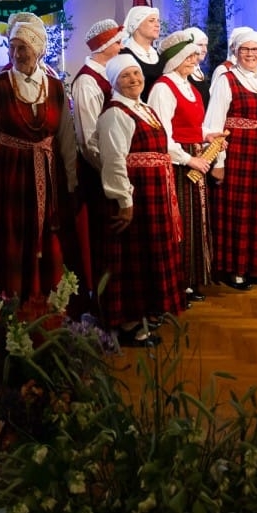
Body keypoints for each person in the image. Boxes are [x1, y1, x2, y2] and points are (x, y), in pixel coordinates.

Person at [0, 12, 78, 301]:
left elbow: (66, 138)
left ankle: (48, 307)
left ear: (39, 50)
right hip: (10, 182)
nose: (17, 54)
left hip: (48, 178)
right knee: (12, 243)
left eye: (23, 48)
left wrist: (72, 180)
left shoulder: (55, 88)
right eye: (13, 47)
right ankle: (9, 307)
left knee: (48, 241)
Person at [96, 53, 184, 346]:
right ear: (114, 82)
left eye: (136, 74)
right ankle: (129, 322)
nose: (134, 80)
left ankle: (146, 311)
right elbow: (113, 160)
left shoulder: (144, 108)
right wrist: (124, 200)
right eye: (125, 76)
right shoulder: (115, 114)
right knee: (131, 258)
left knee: (149, 254)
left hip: (155, 193)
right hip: (136, 194)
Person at [203, 30, 257, 290]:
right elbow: (213, 123)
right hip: (238, 153)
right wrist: (218, 162)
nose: (251, 54)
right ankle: (236, 270)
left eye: (255, 50)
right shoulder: (226, 80)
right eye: (245, 50)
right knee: (239, 212)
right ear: (236, 52)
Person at [148, 30, 215, 304]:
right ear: (175, 59)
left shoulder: (187, 84)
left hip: (195, 156)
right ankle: (176, 283)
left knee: (194, 222)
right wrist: (188, 159)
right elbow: (162, 135)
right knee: (180, 223)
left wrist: (207, 136)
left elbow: (193, 126)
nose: (194, 61)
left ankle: (189, 280)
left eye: (194, 57)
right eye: (188, 57)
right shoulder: (164, 88)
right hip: (177, 164)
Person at [68, 17, 125, 298]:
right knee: (103, 238)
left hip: (113, 170)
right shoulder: (87, 83)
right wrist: (111, 172)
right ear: (105, 47)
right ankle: (103, 298)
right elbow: (88, 139)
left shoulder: (106, 75)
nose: (122, 47)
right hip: (99, 173)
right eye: (118, 43)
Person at [121, 6, 164, 101]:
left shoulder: (158, 55)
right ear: (137, 25)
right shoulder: (124, 55)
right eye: (151, 20)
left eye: (158, 21)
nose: (157, 25)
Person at [184, 26, 212, 105]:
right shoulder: (183, 73)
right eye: (200, 45)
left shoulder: (199, 71)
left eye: (206, 45)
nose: (205, 50)